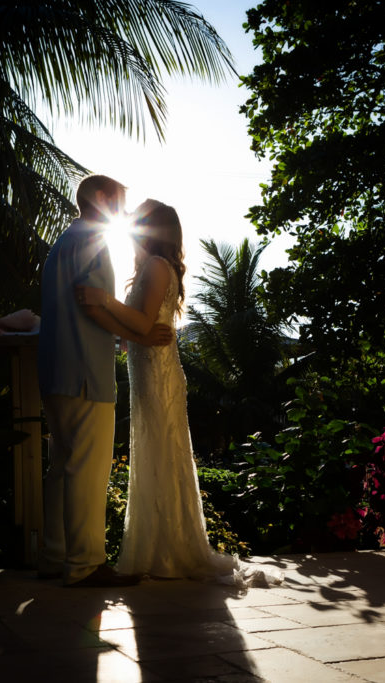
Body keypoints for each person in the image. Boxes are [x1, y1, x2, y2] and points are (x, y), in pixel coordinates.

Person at [77, 199, 279, 586]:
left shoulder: (155, 266)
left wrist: (103, 300)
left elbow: (141, 320)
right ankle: (162, 548)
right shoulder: (153, 267)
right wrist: (124, 331)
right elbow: (139, 328)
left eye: (139, 220)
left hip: (157, 374)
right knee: (158, 454)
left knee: (160, 454)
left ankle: (167, 552)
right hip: (152, 370)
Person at [37, 175, 172, 588]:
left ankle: (54, 557)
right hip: (85, 372)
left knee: (61, 467)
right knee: (87, 471)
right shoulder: (92, 241)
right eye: (120, 198)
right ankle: (85, 564)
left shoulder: (62, 242)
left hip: (55, 369)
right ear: (100, 197)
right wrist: (141, 336)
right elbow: (92, 307)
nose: (123, 207)